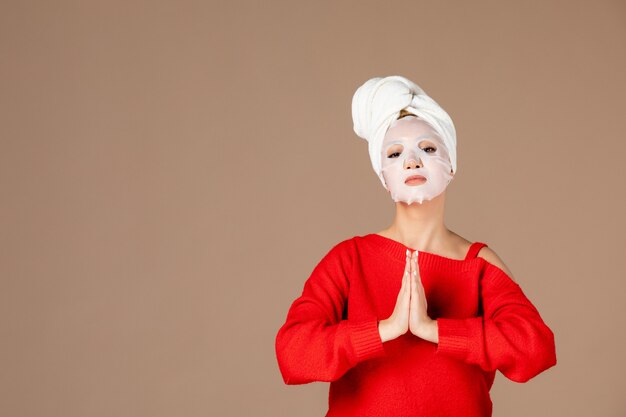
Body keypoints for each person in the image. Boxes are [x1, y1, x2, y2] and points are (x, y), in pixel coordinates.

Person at [274, 75, 557, 417]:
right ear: (383, 176)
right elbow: (292, 354)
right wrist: (385, 330)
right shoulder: (350, 260)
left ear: (451, 164)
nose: (412, 161)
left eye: (428, 148)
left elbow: (536, 348)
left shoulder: (478, 264)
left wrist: (435, 330)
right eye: (395, 153)